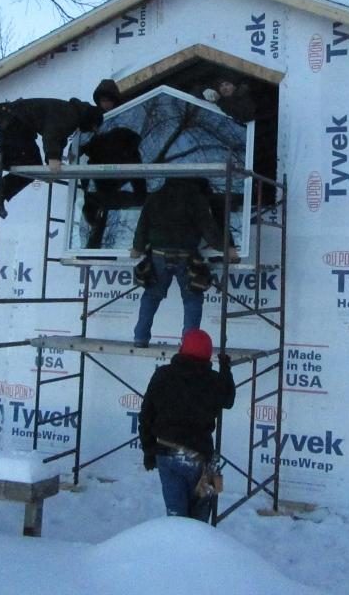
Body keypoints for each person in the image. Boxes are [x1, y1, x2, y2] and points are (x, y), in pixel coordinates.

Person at [139, 328, 235, 521]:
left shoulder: (163, 375)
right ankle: (195, 549)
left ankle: (179, 549)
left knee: (176, 519)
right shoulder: (213, 381)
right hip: (202, 459)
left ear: (182, 349)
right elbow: (228, 399)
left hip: (168, 454)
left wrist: (149, 451)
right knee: (199, 522)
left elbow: (146, 416)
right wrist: (226, 369)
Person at [129, 177, 238, 347]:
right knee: (192, 298)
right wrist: (227, 248)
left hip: (158, 254)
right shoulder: (196, 198)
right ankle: (189, 344)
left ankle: (140, 338)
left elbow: (142, 226)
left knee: (151, 296)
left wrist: (137, 248)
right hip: (186, 257)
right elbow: (208, 228)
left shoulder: (155, 197)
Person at [0, 97, 103, 218]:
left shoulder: (71, 113)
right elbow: (52, 133)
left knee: (26, 164)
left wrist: (53, 163)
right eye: (94, 128)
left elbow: (59, 138)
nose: (92, 131)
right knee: (28, 162)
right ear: (90, 120)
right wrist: (53, 159)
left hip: (13, 118)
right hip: (14, 119)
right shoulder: (71, 114)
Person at [78, 127, 147, 248]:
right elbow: (81, 153)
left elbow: (139, 180)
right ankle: (93, 230)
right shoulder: (102, 142)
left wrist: (142, 197)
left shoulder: (133, 155)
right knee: (94, 205)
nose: (129, 150)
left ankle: (94, 229)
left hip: (109, 189)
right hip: (98, 183)